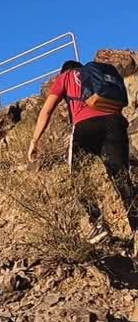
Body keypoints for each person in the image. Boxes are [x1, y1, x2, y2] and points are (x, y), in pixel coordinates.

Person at [28, 60, 137, 241]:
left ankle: (99, 225)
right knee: (122, 178)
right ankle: (137, 229)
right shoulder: (99, 74)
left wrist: (34, 141)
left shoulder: (65, 77)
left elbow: (46, 111)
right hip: (114, 123)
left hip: (85, 127)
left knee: (78, 179)